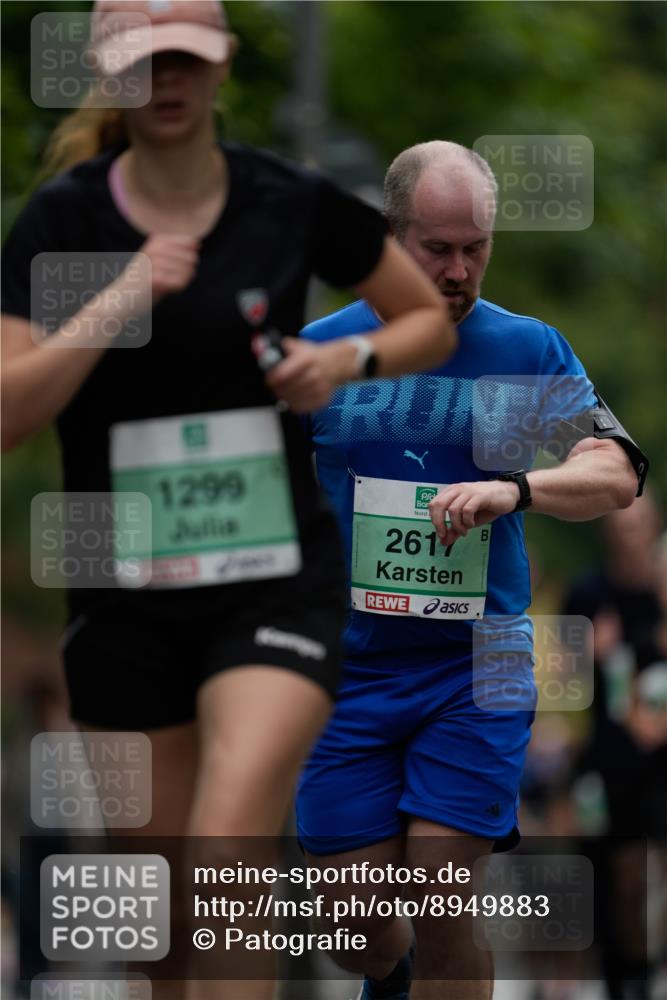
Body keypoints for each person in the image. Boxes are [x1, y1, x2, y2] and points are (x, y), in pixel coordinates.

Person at [0, 5, 456, 998]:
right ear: (104, 72)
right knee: (166, 924)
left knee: (226, 843)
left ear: (222, 66)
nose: (165, 80)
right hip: (118, 592)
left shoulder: (284, 201)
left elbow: (424, 320)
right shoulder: (62, 224)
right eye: (140, 61)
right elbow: (7, 410)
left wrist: (344, 356)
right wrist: (115, 304)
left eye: (186, 60)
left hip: (274, 581)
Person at [294, 140, 647, 1000]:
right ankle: (394, 976)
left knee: (440, 889)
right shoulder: (321, 353)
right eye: (436, 247)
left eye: (474, 248)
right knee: (358, 926)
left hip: (474, 664)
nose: (458, 269)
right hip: (342, 669)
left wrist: (515, 489)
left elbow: (618, 472)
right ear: (388, 236)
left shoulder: (525, 349)